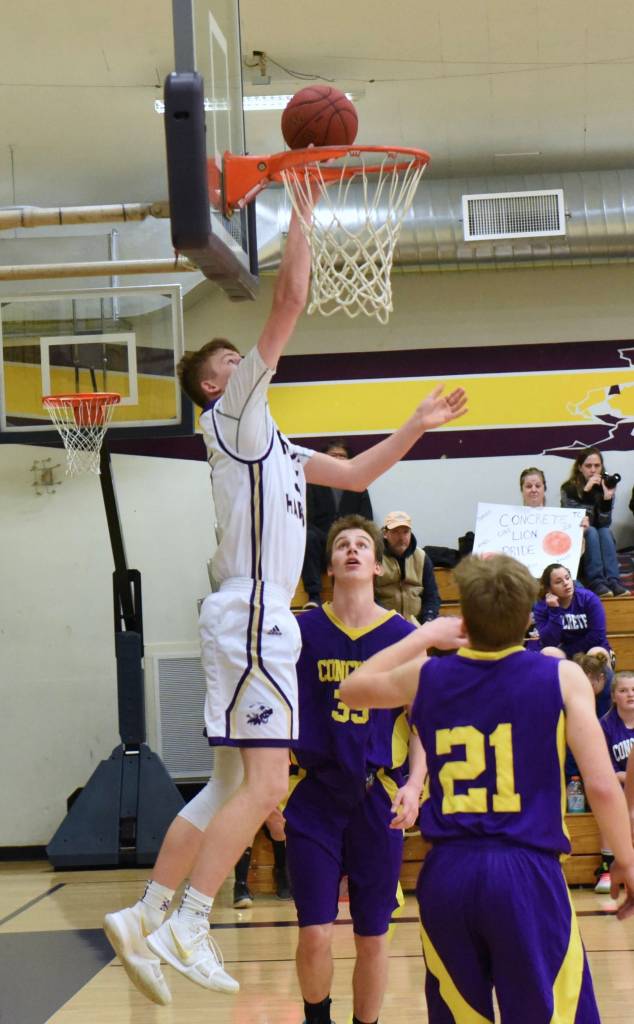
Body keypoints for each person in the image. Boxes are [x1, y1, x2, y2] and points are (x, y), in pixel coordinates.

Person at [103, 189, 468, 1006]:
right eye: (224, 364)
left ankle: (147, 912)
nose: (240, 364)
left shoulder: (279, 446)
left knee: (229, 787)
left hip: (256, 620)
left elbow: (361, 477)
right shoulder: (233, 418)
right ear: (211, 389)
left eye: (240, 361)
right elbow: (292, 299)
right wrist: (301, 200)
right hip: (253, 614)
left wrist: (415, 424)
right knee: (268, 788)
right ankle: (191, 919)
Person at [340, 553, 634, 1023]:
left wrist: (424, 635)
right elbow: (600, 784)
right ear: (529, 617)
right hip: (527, 872)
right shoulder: (561, 676)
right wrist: (625, 858)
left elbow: (352, 688)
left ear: (465, 618)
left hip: (447, 873)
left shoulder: (427, 675)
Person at [285, 514, 425, 1024]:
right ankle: (316, 1019)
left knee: (373, 936)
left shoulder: (402, 633)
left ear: (377, 562)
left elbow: (423, 721)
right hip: (313, 796)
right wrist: (272, 793)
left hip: (376, 797)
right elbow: (272, 714)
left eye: (362, 544)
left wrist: (414, 784)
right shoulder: (300, 630)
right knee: (315, 929)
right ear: (329, 566)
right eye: (342, 544)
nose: (351, 550)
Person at [302, 439, 373, 608]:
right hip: (319, 544)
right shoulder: (311, 483)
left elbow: (366, 521)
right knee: (308, 536)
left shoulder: (359, 486)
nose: (338, 459)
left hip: (348, 543)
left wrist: (346, 539)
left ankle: (361, 597)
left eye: (342, 456)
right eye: (333, 456)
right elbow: (304, 518)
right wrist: (330, 540)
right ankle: (314, 597)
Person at [560, 447, 628, 596]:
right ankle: (596, 581)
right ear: (580, 467)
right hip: (579, 539)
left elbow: (604, 523)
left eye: (597, 466)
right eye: (588, 466)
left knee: (604, 531)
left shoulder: (605, 486)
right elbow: (580, 522)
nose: (593, 470)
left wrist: (607, 499)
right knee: (591, 531)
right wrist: (587, 492)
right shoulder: (568, 489)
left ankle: (613, 581)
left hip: (598, 536)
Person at [594, 671, 634, 893]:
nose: (630, 694)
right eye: (624, 690)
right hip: (618, 785)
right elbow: (604, 768)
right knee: (611, 802)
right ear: (613, 696)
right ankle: (607, 869)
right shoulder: (605, 725)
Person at [533, 562, 611, 662]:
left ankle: (603, 677)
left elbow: (597, 636)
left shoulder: (589, 599)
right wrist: (554, 611)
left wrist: (568, 651)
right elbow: (548, 642)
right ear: (549, 588)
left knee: (596, 654)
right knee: (548, 652)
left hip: (591, 649)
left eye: (567, 578)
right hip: (563, 654)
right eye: (558, 582)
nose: (566, 583)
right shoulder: (542, 606)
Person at [374, 510, 440, 623]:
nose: (401, 537)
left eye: (405, 532)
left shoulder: (422, 557)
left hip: (418, 624)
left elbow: (432, 597)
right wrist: (388, 618)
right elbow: (368, 597)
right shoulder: (374, 557)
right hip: (383, 623)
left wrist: (428, 619)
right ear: (385, 533)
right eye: (395, 532)